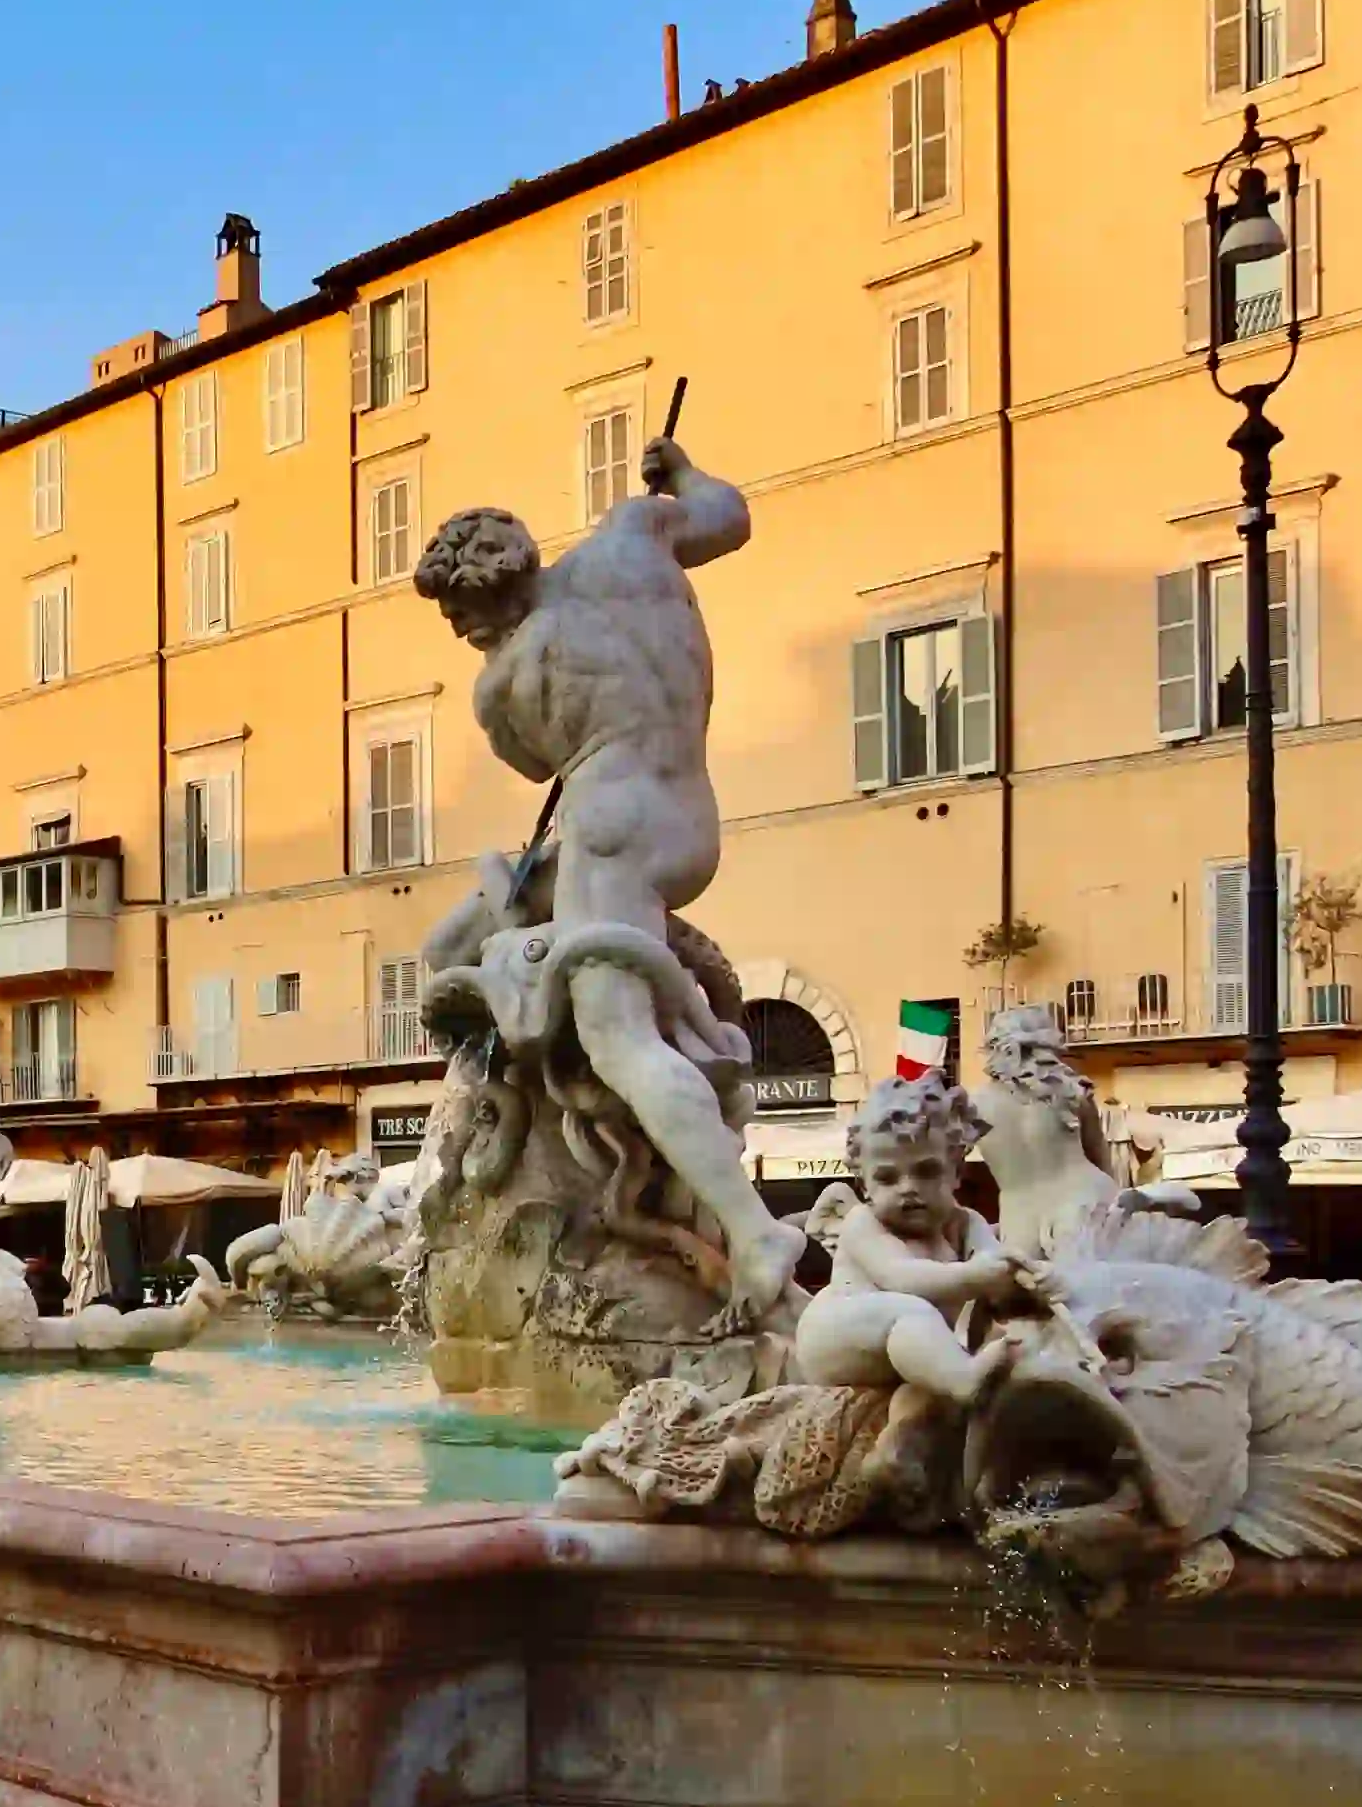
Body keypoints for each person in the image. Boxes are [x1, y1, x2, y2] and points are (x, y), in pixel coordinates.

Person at [414, 432, 807, 1314]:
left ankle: (750, 1227)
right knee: (454, 943)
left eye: (459, 620)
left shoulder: (505, 676)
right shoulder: (632, 536)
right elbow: (728, 516)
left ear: (483, 604)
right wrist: (681, 475)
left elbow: (532, 764)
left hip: (608, 827)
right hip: (685, 811)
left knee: (616, 1038)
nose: (462, 635)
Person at [796, 1076, 1055, 1500]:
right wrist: (979, 1276)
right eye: (887, 1178)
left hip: (901, 1353)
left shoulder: (965, 1224)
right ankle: (966, 1380)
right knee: (911, 1311)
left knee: (923, 1388)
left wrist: (1029, 1278)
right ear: (864, 1185)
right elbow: (905, 1279)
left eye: (926, 1171)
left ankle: (894, 1456)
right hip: (835, 1336)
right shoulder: (865, 1224)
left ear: (956, 1171)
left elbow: (996, 1270)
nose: (908, 1188)